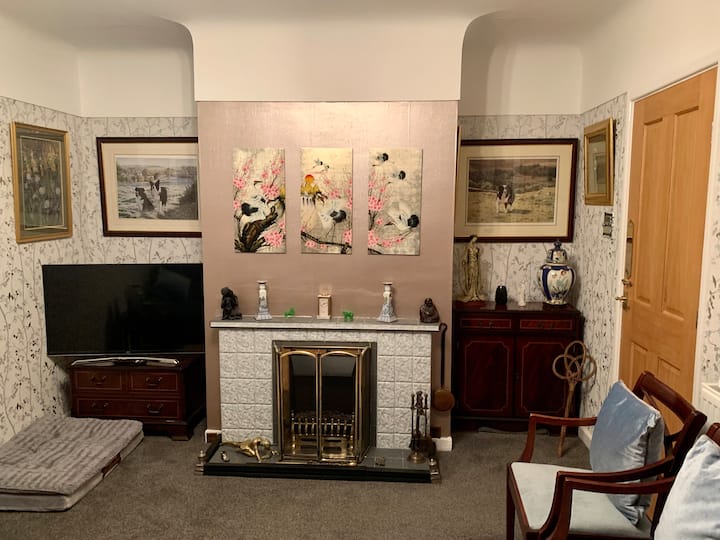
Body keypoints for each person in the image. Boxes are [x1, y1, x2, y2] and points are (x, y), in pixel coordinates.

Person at [462, 235, 482, 301]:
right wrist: (464, 261)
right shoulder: (468, 247)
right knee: (471, 277)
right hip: (471, 264)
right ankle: (470, 293)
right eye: (474, 239)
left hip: (476, 264)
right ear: (472, 239)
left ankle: (475, 293)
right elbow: (465, 255)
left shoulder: (476, 247)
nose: (475, 240)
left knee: (475, 277)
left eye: (476, 239)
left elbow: (478, 256)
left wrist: (478, 252)